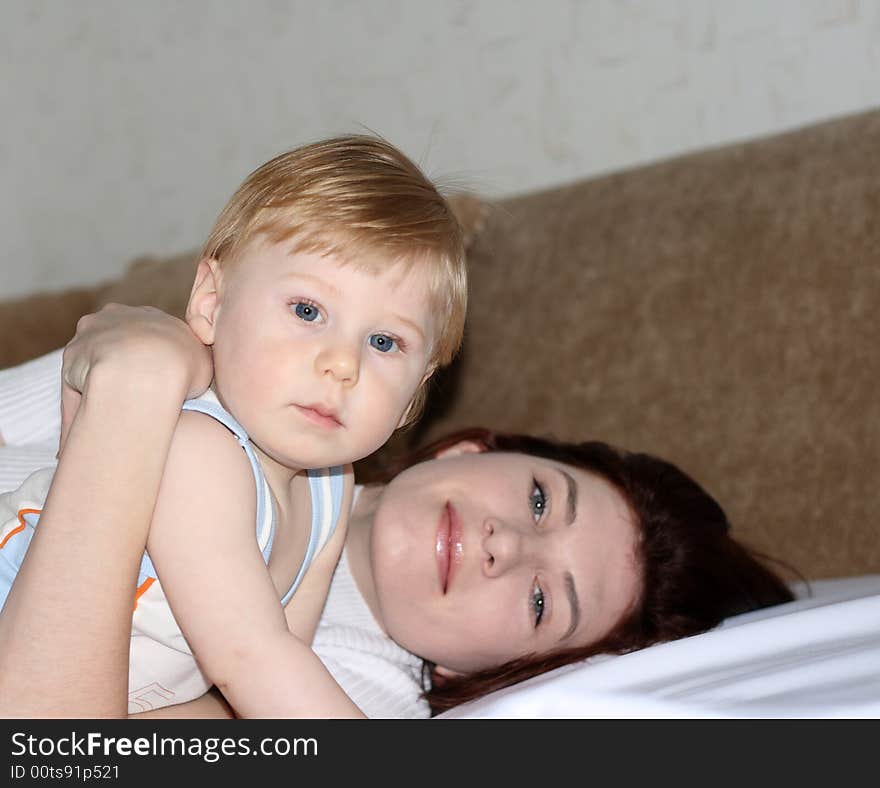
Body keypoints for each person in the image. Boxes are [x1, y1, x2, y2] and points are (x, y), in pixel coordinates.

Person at [0, 308, 794, 718]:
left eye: (542, 600)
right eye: (542, 500)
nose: (504, 546)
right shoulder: (272, 386)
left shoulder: (354, 697)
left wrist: (135, 386)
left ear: (478, 672)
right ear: (470, 449)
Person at [0, 133, 468, 718]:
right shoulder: (198, 450)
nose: (342, 365)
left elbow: (265, 683)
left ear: (411, 400)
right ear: (210, 303)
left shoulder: (330, 488)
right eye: (307, 311)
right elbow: (251, 659)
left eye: (383, 342)